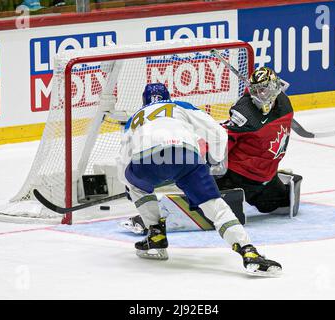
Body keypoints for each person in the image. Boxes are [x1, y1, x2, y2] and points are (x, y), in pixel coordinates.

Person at [117, 82, 282, 276]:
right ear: (168, 97)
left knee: (135, 186)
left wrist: (130, 185)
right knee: (215, 207)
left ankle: (156, 235)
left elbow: (122, 158)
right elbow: (218, 133)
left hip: (147, 160)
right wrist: (213, 161)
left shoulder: (134, 118)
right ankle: (249, 252)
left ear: (144, 101)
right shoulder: (180, 106)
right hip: (186, 156)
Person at [216, 66, 303, 217]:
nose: (259, 95)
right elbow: (222, 142)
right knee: (215, 205)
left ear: (275, 87)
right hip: (238, 176)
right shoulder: (244, 113)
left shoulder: (284, 103)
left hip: (266, 176)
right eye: (255, 90)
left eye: (264, 90)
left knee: (282, 205)